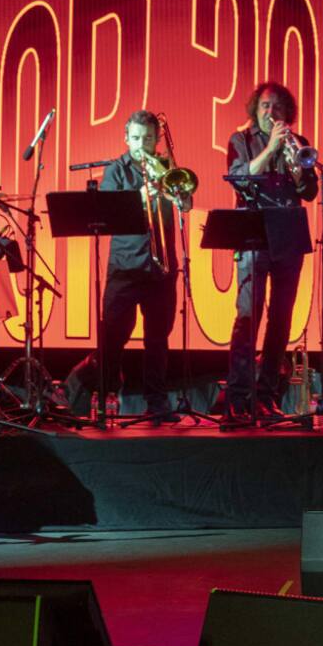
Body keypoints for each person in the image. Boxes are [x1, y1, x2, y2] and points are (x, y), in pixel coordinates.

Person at [224, 81, 318, 418]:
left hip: (289, 235)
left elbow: (309, 192)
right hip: (253, 233)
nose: (270, 112)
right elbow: (238, 178)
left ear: (286, 112)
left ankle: (266, 396)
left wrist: (296, 168)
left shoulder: (300, 144)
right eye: (265, 106)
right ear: (255, 109)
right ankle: (238, 398)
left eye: (277, 107)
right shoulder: (242, 141)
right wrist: (270, 150)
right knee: (248, 317)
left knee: (281, 319)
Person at [97, 109, 191, 423]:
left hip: (161, 267)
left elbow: (185, 204)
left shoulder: (167, 167)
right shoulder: (115, 171)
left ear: (156, 139)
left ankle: (157, 402)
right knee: (113, 335)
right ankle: (105, 393)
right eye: (136, 138)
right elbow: (109, 214)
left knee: (157, 338)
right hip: (125, 266)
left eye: (147, 138)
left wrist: (179, 195)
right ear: (126, 139)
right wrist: (140, 196)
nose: (141, 144)